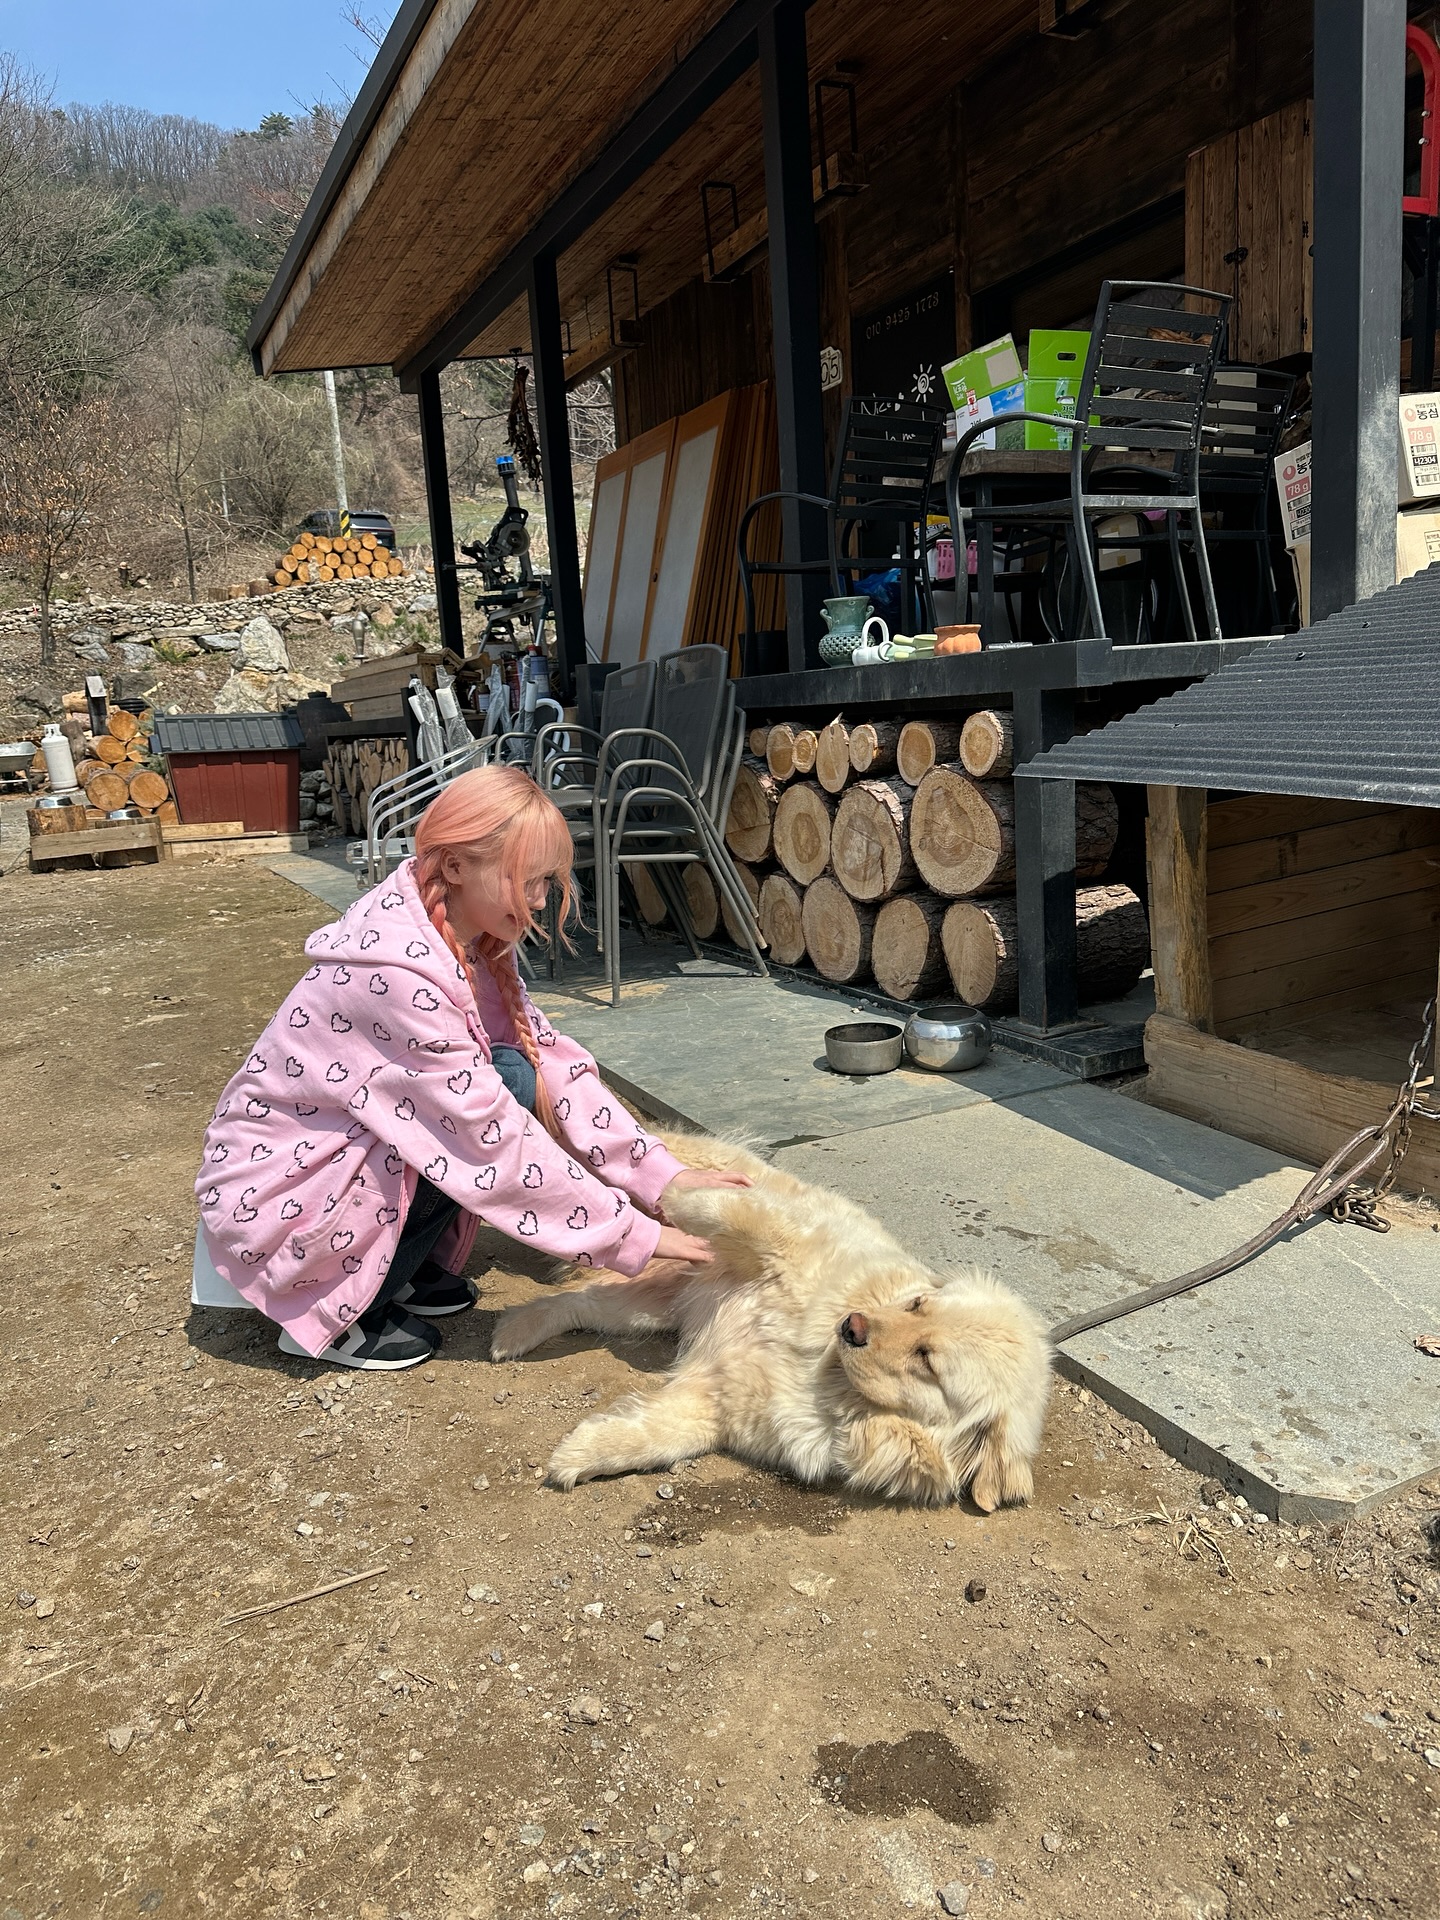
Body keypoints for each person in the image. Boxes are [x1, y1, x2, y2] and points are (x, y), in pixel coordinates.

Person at [195, 765, 747, 1370]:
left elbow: (550, 1061)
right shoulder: (398, 978)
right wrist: (638, 1236)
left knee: (513, 1071)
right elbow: (491, 1140)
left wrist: (662, 1178)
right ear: (456, 866)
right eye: (526, 880)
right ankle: (336, 1311)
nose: (540, 901)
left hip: (325, 1164)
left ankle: (396, 1266)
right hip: (280, 1207)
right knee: (484, 1104)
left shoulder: (457, 937)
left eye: (547, 881)